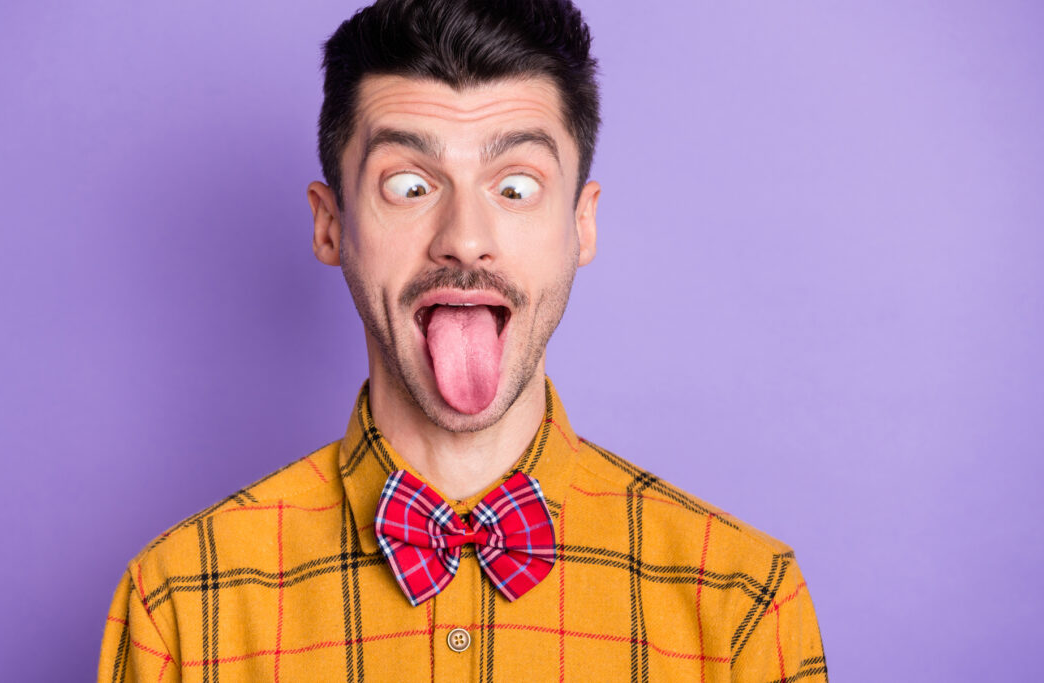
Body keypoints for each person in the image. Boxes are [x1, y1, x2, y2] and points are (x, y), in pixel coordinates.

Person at [97, 0, 828, 680]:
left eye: (516, 187)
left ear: (582, 225)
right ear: (330, 224)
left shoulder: (741, 604)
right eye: (409, 186)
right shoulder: (182, 606)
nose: (466, 238)